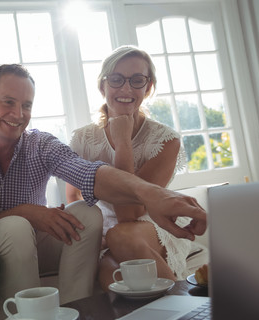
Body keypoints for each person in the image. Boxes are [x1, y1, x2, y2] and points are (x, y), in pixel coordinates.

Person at [0, 64, 207, 307]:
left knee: (86, 213)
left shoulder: (40, 144)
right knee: (16, 226)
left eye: (26, 105)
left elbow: (91, 174)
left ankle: (77, 312)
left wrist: (152, 194)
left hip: (33, 241)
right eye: (8, 102)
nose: (18, 114)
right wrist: (25, 212)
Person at [66, 45, 207, 290]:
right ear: (103, 86)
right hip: (106, 228)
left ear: (148, 87)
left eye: (137, 80)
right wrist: (94, 232)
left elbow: (130, 213)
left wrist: (122, 142)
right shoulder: (82, 139)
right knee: (110, 272)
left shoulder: (165, 140)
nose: (126, 89)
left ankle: (185, 311)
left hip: (152, 222)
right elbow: (74, 196)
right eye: (117, 79)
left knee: (122, 235)